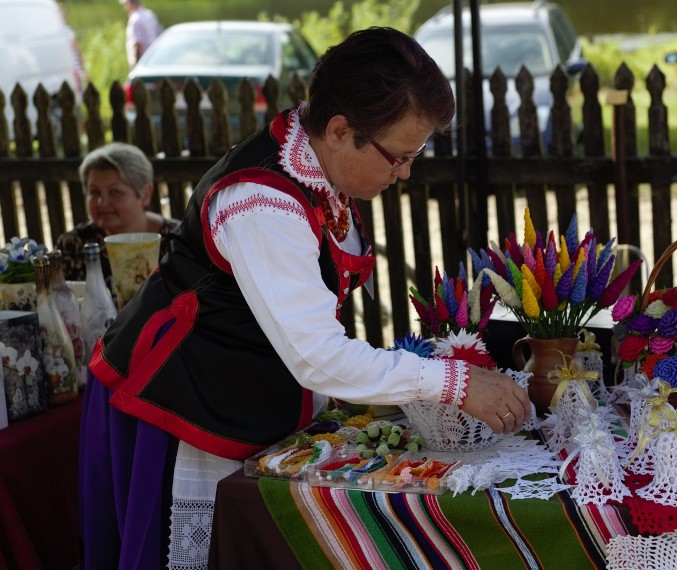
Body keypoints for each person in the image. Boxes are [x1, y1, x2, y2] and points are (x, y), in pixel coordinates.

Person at [79, 27, 531, 569]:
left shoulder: (315, 162)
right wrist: (453, 383)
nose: (406, 172)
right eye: (398, 156)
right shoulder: (260, 203)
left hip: (241, 396)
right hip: (178, 405)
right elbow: (315, 353)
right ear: (340, 129)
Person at [55, 142, 179, 289]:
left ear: (145, 194)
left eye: (114, 192)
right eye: (94, 192)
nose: (101, 202)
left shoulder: (178, 241)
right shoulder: (73, 245)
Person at [120, 0, 160, 68]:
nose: (124, 6)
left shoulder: (135, 19)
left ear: (129, 3)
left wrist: (136, 67)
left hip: (142, 63)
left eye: (125, 3)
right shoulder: (150, 14)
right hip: (154, 59)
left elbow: (137, 44)